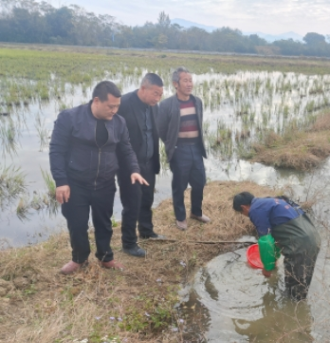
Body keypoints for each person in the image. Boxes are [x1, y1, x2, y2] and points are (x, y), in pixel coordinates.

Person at [50, 81, 148, 275]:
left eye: (117, 106)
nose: (114, 111)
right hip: (76, 183)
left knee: (104, 222)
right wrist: (61, 181)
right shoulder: (70, 118)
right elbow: (56, 150)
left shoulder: (119, 122)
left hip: (104, 183)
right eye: (110, 106)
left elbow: (126, 150)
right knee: (77, 223)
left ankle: (105, 257)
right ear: (96, 100)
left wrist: (134, 169)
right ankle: (79, 258)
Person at [233, 192, 321, 300]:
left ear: (244, 207)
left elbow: (266, 242)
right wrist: (274, 259)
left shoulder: (255, 210)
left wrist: (267, 268)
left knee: (295, 293)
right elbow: (280, 237)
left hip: (300, 245)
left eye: (242, 213)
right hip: (312, 237)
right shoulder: (271, 202)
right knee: (302, 280)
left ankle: (293, 312)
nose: (246, 215)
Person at [117, 73, 164, 258]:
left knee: (146, 199)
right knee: (131, 204)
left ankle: (146, 231)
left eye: (160, 94)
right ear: (143, 88)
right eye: (155, 93)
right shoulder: (123, 104)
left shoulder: (153, 106)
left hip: (149, 162)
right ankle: (128, 243)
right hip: (129, 166)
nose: (157, 98)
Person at [158, 66, 210, 231]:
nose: (189, 84)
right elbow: (160, 129)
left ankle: (196, 212)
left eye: (190, 80)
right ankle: (180, 217)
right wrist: (171, 143)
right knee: (179, 185)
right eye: (185, 81)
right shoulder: (166, 105)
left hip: (196, 148)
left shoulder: (197, 102)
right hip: (179, 149)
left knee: (199, 182)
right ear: (176, 84)